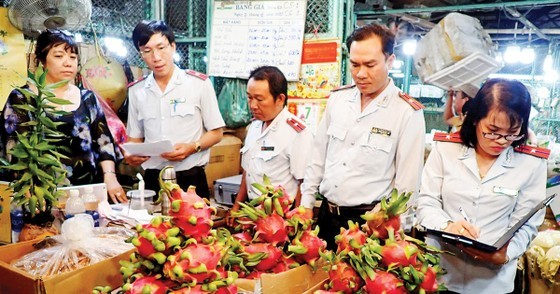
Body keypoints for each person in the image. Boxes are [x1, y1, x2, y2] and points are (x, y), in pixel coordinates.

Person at [300, 23, 426, 249]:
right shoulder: (338, 100)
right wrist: (306, 202)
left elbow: (407, 183)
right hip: (327, 218)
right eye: (355, 64)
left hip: (370, 226)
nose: (360, 73)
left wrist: (396, 227)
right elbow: (317, 157)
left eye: (370, 65)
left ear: (390, 60)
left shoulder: (406, 111)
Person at [417, 78, 548, 293]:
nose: (501, 140)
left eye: (512, 133)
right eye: (493, 130)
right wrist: (447, 226)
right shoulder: (446, 149)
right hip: (441, 275)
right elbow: (426, 201)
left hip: (493, 283)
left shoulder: (531, 163)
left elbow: (528, 222)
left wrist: (506, 254)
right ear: (476, 119)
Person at [0, 29, 127, 203]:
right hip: (39, 197)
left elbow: (104, 143)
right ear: (42, 61)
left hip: (87, 193)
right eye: (59, 56)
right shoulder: (23, 98)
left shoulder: (88, 99)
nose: (68, 63)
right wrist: (30, 192)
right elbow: (13, 149)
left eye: (73, 57)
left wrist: (110, 176)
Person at [125, 20, 224, 198]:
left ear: (173, 47)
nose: (156, 57)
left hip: (191, 179)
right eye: (147, 51)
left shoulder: (198, 84)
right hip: (153, 179)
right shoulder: (136, 91)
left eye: (161, 48)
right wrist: (131, 155)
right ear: (141, 54)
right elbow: (135, 138)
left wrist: (192, 147)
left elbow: (217, 133)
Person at [227, 66, 313, 224]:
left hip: (281, 217)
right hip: (252, 212)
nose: (253, 105)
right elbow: (248, 171)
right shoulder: (254, 126)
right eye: (249, 97)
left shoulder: (296, 132)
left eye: (259, 99)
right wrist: (236, 207)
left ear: (280, 99)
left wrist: (298, 223)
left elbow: (304, 182)